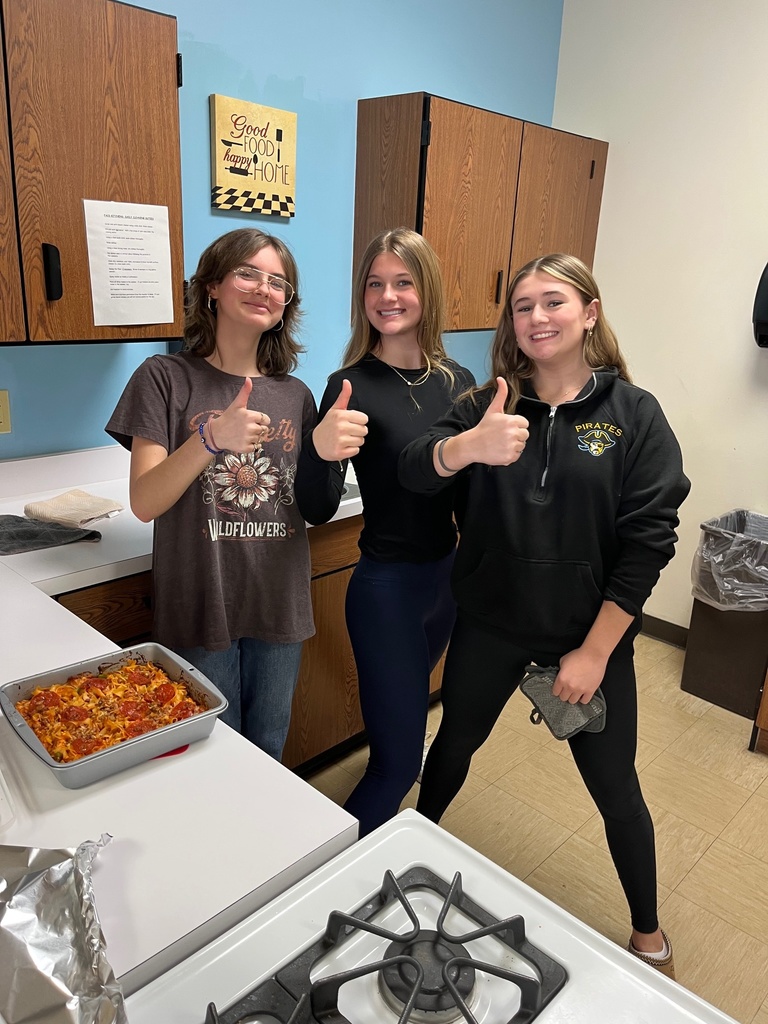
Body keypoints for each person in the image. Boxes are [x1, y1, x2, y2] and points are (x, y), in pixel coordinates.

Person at [399, 252, 690, 977]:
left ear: (589, 313)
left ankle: (648, 933)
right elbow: (413, 468)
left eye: (553, 302)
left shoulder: (634, 417)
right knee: (454, 746)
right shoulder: (483, 404)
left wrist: (593, 654)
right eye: (523, 306)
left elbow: (649, 543)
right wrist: (466, 448)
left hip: (588, 640)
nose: (536, 318)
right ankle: (408, 850)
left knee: (617, 790)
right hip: (490, 626)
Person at [106, 227, 327, 762]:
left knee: (269, 744)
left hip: (278, 601)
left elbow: (310, 502)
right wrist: (209, 438)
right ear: (211, 287)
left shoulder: (295, 394)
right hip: (202, 599)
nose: (263, 288)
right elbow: (145, 501)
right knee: (212, 753)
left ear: (285, 305)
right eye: (248, 273)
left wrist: (332, 451)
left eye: (278, 282)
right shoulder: (163, 378)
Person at [295, 227, 475, 837]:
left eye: (403, 282)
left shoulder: (456, 380)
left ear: (427, 290)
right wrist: (318, 450)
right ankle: (332, 887)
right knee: (398, 765)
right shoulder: (351, 384)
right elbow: (316, 508)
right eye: (375, 284)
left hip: (444, 586)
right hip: (386, 591)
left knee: (402, 737)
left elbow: (472, 495)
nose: (388, 296)